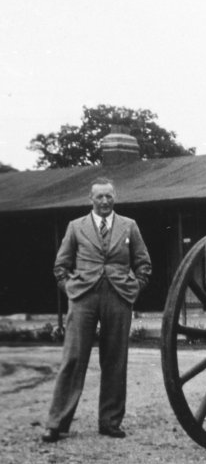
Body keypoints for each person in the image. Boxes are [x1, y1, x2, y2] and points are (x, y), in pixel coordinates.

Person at [42, 177, 152, 443]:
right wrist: (71, 290)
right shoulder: (76, 227)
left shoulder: (129, 226)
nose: (104, 202)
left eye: (109, 197)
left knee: (115, 360)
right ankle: (56, 423)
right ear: (90, 199)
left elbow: (143, 264)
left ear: (115, 198)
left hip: (118, 297)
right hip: (84, 298)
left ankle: (110, 421)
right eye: (99, 197)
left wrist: (133, 289)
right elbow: (61, 266)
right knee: (73, 359)